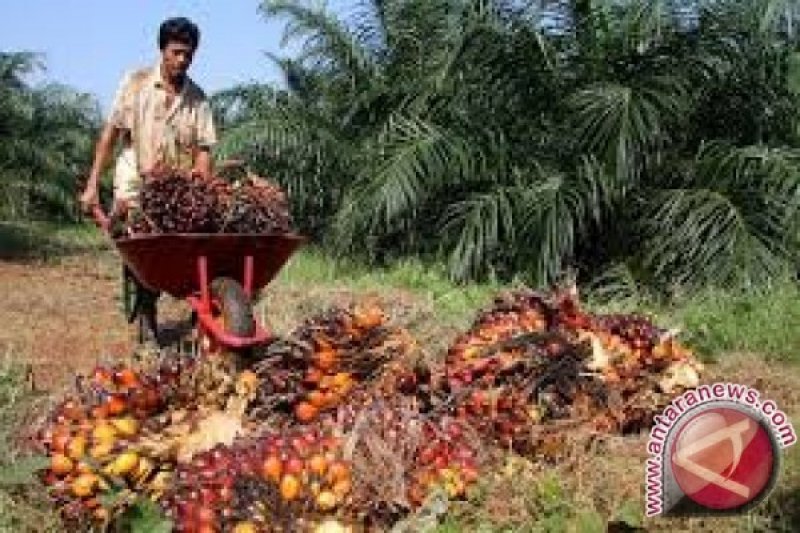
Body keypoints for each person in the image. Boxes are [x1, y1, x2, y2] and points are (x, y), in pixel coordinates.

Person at [80, 16, 218, 345]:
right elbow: (110, 135)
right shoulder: (136, 83)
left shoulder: (197, 99)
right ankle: (146, 307)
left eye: (189, 54)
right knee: (141, 242)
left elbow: (203, 150)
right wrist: (92, 184)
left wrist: (203, 183)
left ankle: (195, 299)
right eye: (177, 52)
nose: (183, 60)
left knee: (187, 239)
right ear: (162, 50)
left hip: (176, 186)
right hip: (136, 177)